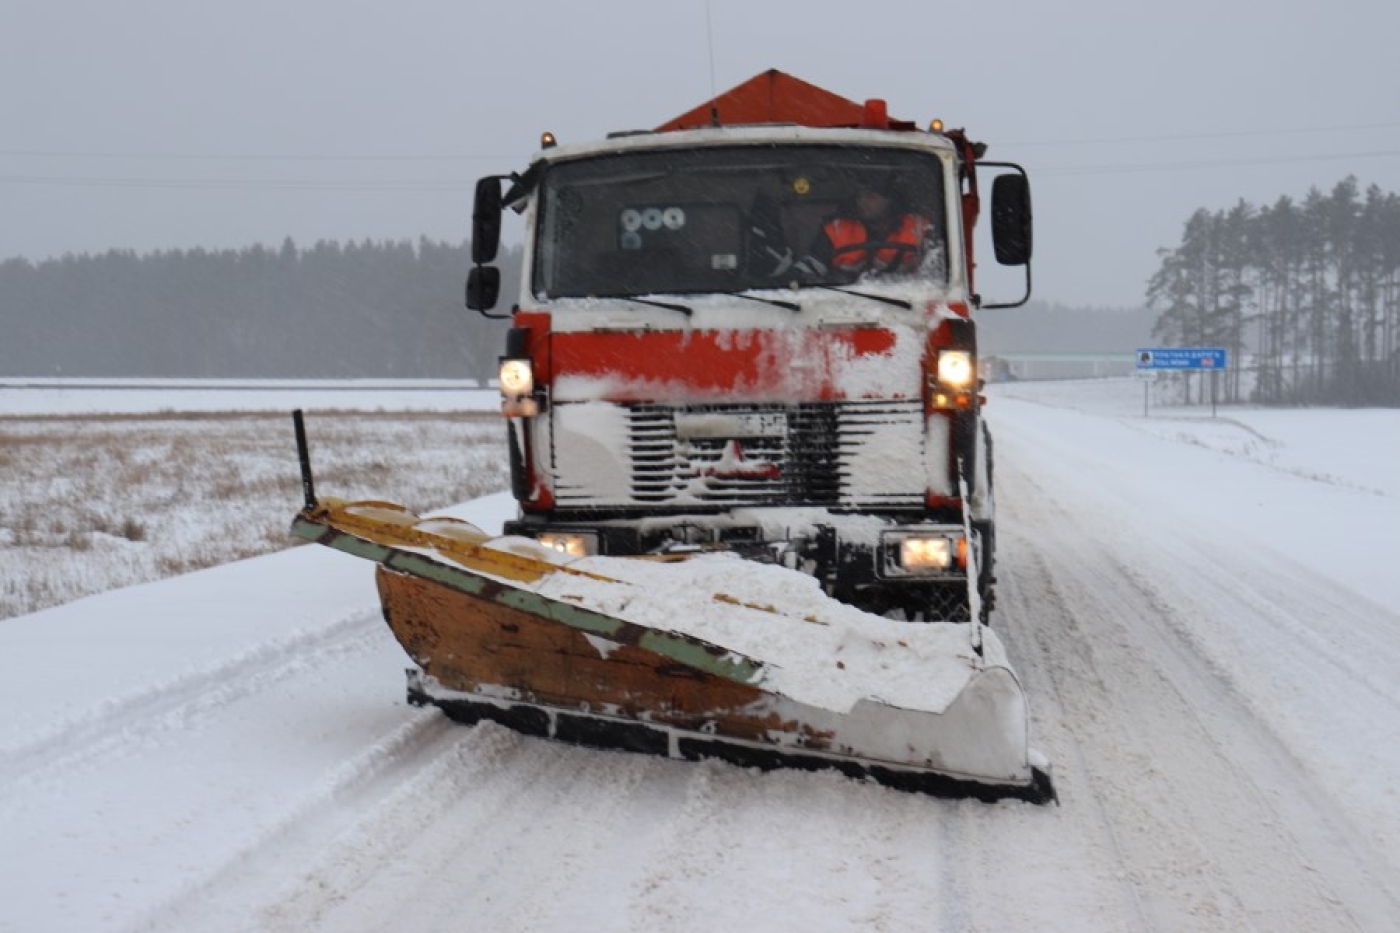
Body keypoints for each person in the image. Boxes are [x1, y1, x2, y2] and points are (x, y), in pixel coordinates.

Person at [799, 178, 933, 279]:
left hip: (905, 302)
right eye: (860, 196)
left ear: (891, 200)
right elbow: (812, 265)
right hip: (843, 301)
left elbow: (935, 273)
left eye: (871, 197)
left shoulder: (919, 228)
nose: (862, 202)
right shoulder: (837, 229)